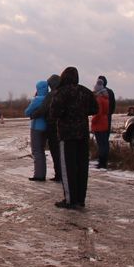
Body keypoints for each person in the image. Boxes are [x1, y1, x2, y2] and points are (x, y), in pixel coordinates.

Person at [48, 66, 98, 209]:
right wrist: (81, 112)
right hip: (82, 134)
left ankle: (70, 200)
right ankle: (80, 199)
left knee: (68, 167)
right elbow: (95, 109)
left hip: (67, 134)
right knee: (82, 167)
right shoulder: (85, 91)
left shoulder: (61, 93)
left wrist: (66, 113)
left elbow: (53, 113)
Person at [24, 80, 50, 181]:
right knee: (42, 151)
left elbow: (27, 112)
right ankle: (42, 173)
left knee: (36, 151)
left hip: (36, 127)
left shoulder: (38, 99)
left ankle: (39, 174)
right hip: (46, 127)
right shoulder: (49, 98)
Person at [91, 78, 111, 169]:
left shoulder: (99, 99)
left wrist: (93, 120)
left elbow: (98, 112)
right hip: (105, 121)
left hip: (99, 123)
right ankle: (104, 162)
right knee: (104, 143)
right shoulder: (106, 98)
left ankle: (101, 163)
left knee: (100, 144)